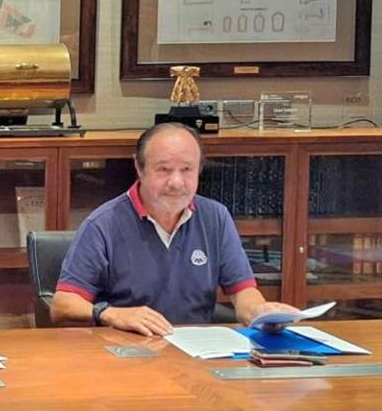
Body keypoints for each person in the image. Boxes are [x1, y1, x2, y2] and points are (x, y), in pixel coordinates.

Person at [50, 122, 299, 335]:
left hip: (197, 352)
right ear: (139, 168)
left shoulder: (216, 217)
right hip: (125, 352)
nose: (176, 182)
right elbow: (62, 305)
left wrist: (260, 312)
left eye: (187, 170)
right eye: (164, 170)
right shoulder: (103, 224)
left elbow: (243, 292)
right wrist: (111, 314)